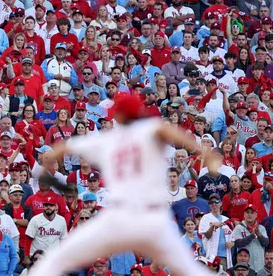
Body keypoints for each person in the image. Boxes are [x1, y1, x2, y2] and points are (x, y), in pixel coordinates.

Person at [29, 95, 216, 276]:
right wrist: (202, 151)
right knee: (192, 270)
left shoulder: (106, 139)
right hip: (152, 219)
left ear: (119, 116)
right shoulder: (149, 130)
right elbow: (165, 131)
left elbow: (62, 148)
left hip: (118, 217)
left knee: (54, 261)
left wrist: (48, 162)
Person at [198, 193, 234, 269]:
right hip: (211, 255)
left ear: (220, 203)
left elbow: (233, 238)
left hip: (225, 256)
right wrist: (212, 226)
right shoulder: (205, 218)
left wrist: (232, 243)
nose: (214, 204)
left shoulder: (226, 219)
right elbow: (207, 236)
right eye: (211, 202)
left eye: (216, 202)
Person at [232, 204, 269, 272]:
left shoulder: (261, 228)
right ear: (244, 214)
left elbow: (266, 243)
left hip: (259, 266)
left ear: (256, 215)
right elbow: (239, 244)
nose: (250, 215)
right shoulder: (239, 228)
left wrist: (259, 234)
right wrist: (252, 235)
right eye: (247, 212)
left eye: (252, 213)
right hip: (244, 267)